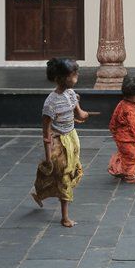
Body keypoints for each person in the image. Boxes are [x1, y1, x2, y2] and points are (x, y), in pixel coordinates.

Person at [32, 57, 88, 227]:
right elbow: (46, 132)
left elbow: (78, 111)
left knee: (70, 171)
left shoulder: (70, 94)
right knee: (64, 176)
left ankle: (40, 193)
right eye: (73, 74)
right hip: (59, 143)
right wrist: (49, 156)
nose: (76, 77)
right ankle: (65, 217)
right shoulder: (50, 103)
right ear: (61, 78)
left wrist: (82, 114)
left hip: (72, 137)